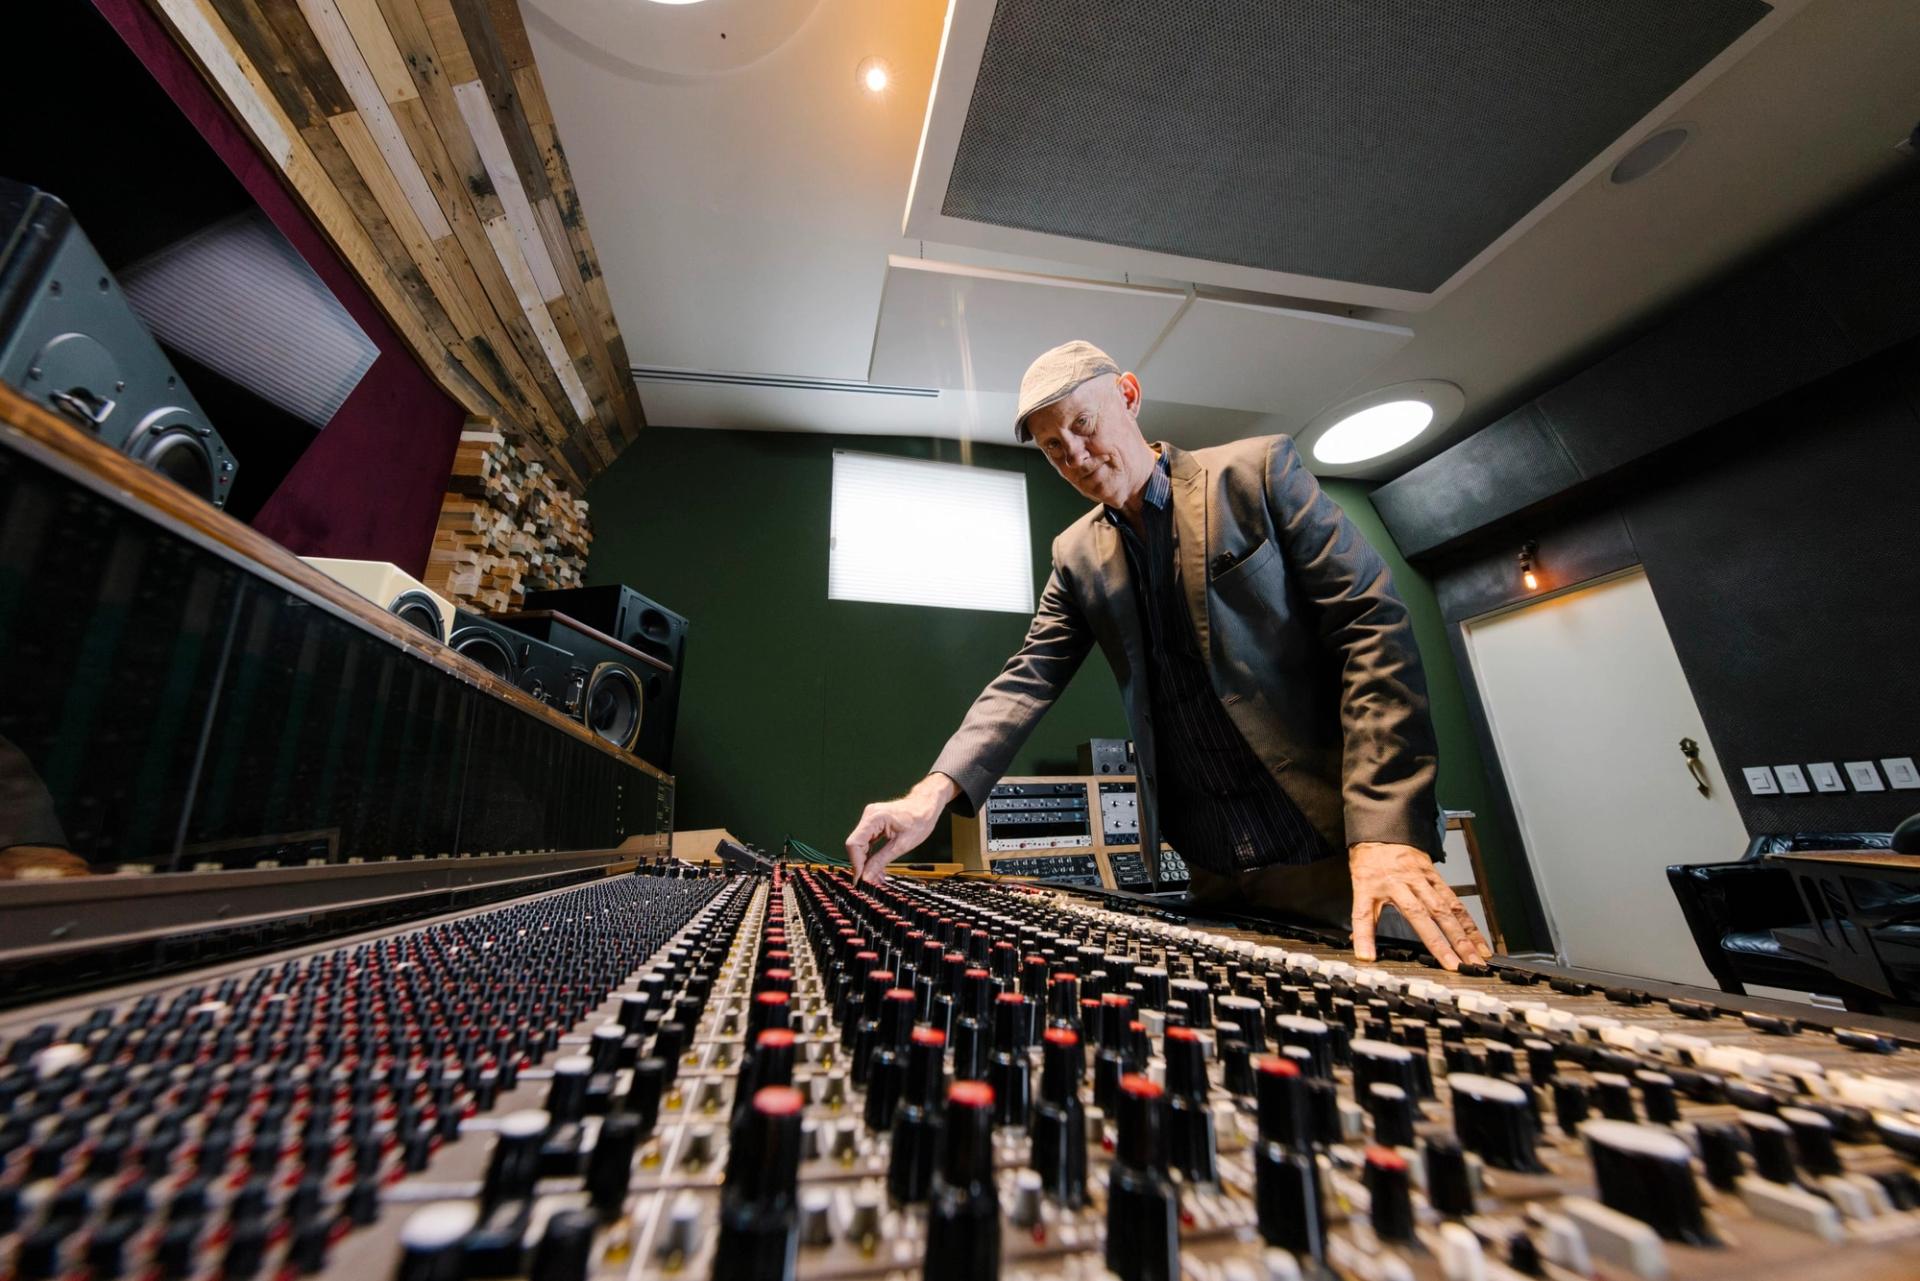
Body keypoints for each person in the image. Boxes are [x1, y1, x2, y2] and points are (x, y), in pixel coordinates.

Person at [843, 341, 1490, 970]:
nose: (1075, 454)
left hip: (1344, 852)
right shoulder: (1076, 556)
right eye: (1053, 447)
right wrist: (927, 797)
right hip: (1214, 874)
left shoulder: (1256, 474)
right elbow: (1026, 679)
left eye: (1084, 424)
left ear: (1127, 393)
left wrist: (1383, 826)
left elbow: (1369, 625)